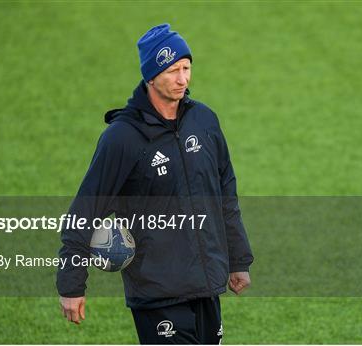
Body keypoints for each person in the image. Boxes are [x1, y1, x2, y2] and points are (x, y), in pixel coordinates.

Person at [56, 23, 254, 344]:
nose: (182, 79)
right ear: (150, 76)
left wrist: (238, 259)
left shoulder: (204, 121)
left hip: (205, 285)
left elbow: (225, 195)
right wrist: (71, 283)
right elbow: (86, 210)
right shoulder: (122, 138)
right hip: (157, 291)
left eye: (186, 68)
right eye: (172, 70)